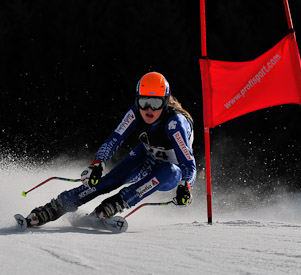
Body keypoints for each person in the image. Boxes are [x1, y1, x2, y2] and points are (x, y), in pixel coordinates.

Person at [23, 72, 196, 227]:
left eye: (155, 103)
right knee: (110, 180)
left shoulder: (175, 124)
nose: (149, 109)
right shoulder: (135, 112)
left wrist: (185, 186)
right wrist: (98, 162)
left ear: (165, 103)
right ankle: (54, 208)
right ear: (137, 100)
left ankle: (112, 205)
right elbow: (115, 138)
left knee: (171, 171)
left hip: (169, 173)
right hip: (147, 155)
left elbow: (189, 164)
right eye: (144, 102)